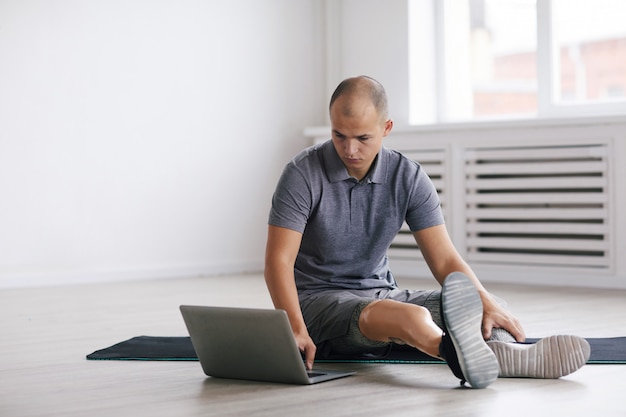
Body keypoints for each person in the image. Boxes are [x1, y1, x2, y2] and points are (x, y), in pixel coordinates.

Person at [264, 75, 590, 388]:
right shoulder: (301, 174)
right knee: (406, 316)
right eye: (339, 135)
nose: (349, 150)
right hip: (315, 304)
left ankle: (509, 357)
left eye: (362, 138)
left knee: (485, 303)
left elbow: (446, 261)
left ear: (386, 128)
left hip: (380, 293)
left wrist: (485, 301)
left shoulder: (407, 176)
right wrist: (294, 327)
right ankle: (455, 355)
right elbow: (278, 261)